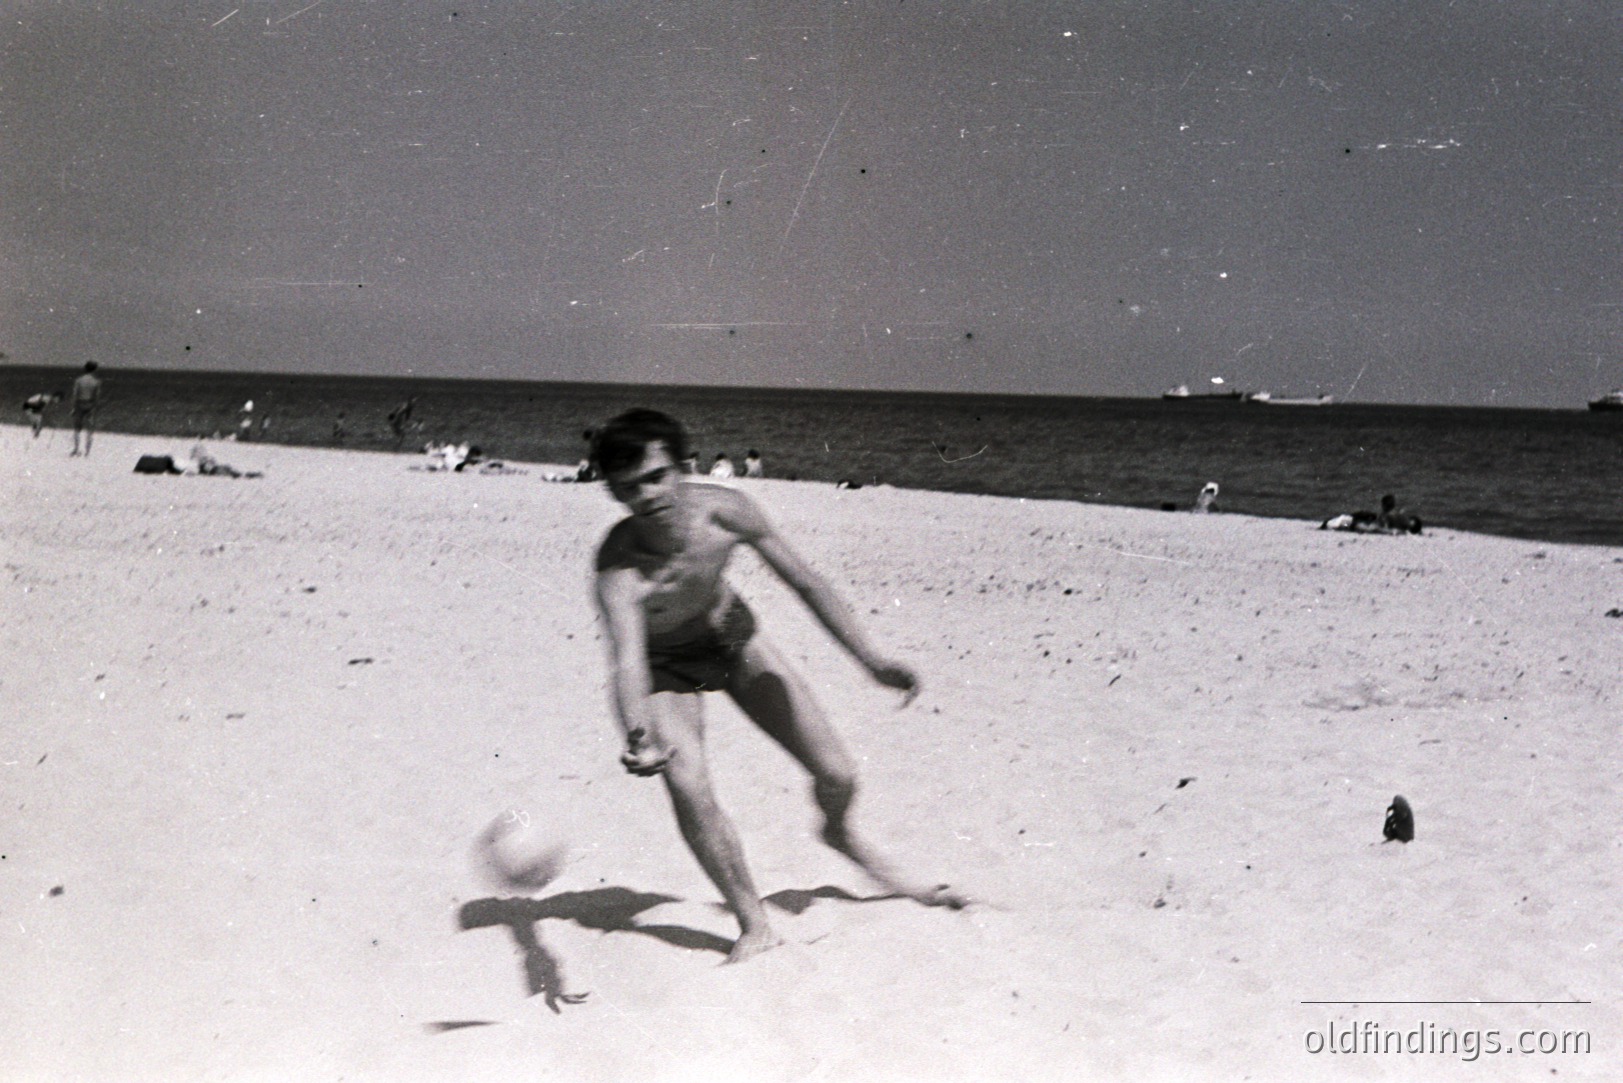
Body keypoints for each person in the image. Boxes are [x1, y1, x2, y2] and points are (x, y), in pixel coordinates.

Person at [590, 408, 966, 964]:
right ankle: (753, 924)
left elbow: (805, 582)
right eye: (629, 488)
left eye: (656, 476)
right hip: (662, 664)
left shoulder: (727, 513)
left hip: (730, 637)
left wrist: (871, 660)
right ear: (615, 495)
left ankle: (837, 832)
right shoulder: (618, 568)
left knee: (837, 773)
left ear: (681, 467)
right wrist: (639, 733)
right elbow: (626, 662)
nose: (647, 496)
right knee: (688, 784)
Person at [70, 362, 103, 456]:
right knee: (89, 429)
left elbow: (75, 395)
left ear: (85, 368)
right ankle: (87, 452)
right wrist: (95, 408)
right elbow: (97, 396)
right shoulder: (96, 381)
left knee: (77, 429)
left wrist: (73, 408)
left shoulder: (79, 380)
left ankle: (76, 449)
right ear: (95, 369)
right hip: (90, 404)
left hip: (80, 403)